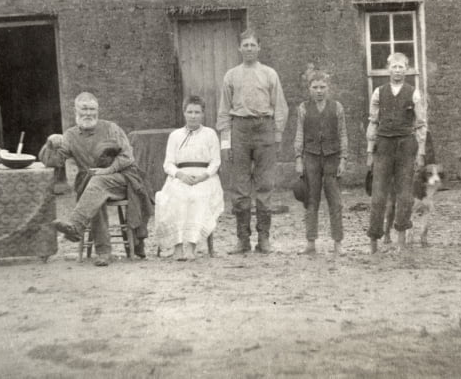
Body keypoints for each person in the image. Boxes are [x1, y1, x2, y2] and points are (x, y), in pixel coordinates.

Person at [40, 92, 152, 265]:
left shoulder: (110, 128)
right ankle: (104, 252)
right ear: (75, 110)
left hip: (122, 179)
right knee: (93, 190)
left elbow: (127, 157)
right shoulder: (70, 135)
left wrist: (107, 170)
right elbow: (52, 161)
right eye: (84, 109)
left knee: (96, 183)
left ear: (98, 110)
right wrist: (49, 144)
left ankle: (76, 226)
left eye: (92, 109)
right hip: (92, 183)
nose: (88, 113)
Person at [217, 28, 288, 255]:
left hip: (264, 127)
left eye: (252, 45)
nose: (249, 49)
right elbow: (223, 111)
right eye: (245, 45)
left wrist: (277, 136)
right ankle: (243, 239)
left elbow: (280, 107)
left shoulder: (269, 74)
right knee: (239, 187)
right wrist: (226, 143)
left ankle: (264, 238)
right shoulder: (231, 75)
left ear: (259, 47)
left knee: (265, 184)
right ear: (239, 48)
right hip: (240, 129)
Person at [366, 52, 428, 254]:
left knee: (405, 195)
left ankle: (401, 241)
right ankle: (374, 241)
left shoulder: (413, 93)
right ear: (388, 69)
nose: (398, 70)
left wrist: (420, 153)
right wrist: (369, 151)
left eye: (401, 67)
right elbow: (373, 122)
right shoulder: (379, 92)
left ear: (407, 69)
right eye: (394, 67)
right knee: (378, 194)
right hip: (383, 145)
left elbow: (420, 125)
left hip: (405, 145)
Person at [154, 96, 224, 261]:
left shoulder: (210, 134)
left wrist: (203, 176)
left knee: (197, 197)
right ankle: (178, 247)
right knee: (176, 197)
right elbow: (168, 164)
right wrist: (180, 174)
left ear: (203, 114)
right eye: (190, 112)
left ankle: (192, 246)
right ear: (184, 113)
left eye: (197, 112)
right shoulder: (175, 135)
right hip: (180, 177)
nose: (193, 116)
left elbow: (215, 162)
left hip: (205, 178)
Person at [294, 71, 348, 256]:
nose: (319, 91)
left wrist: (343, 159)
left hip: (332, 158)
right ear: (309, 89)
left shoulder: (337, 107)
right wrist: (298, 158)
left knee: (335, 201)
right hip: (311, 157)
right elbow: (299, 133)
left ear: (328, 88)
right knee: (311, 200)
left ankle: (338, 243)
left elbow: (342, 134)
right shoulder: (303, 108)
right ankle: (310, 242)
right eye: (315, 87)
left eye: (322, 87)